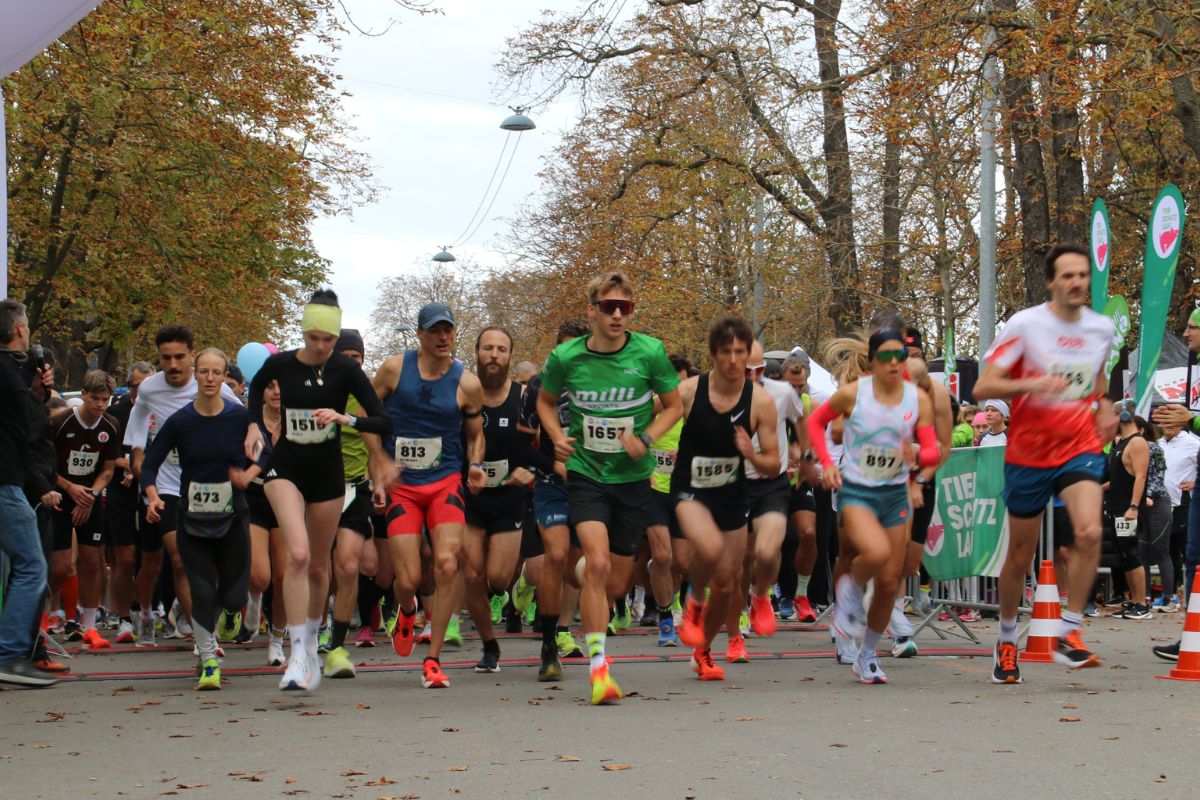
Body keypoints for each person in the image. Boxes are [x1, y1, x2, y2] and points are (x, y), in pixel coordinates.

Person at [537, 271, 683, 704]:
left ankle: (586, 575)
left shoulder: (649, 352)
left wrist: (647, 440)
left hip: (633, 479)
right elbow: (545, 401)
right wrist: (557, 436)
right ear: (593, 311)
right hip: (586, 474)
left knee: (615, 583)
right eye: (608, 307)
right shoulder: (566, 357)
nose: (617, 315)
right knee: (599, 564)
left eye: (625, 307)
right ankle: (599, 669)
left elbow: (674, 406)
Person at [974, 243, 1116, 683]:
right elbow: (983, 387)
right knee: (1020, 555)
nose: (1076, 283)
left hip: (1078, 446)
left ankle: (1068, 632)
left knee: (1090, 532)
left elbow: (1097, 380)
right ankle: (1006, 639)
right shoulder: (1025, 325)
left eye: (1082, 275)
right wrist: (1031, 383)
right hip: (1029, 452)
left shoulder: (1101, 328)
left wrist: (1105, 406)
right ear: (1051, 281)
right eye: (1067, 275)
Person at [246, 290, 391, 691]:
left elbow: (383, 421)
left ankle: (311, 641)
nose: (322, 346)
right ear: (304, 333)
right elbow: (255, 390)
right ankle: (296, 654)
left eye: (329, 339)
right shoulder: (281, 363)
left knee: (318, 566)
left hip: (328, 474)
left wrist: (346, 419)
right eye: (315, 338)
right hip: (286, 468)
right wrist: (253, 425)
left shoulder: (345, 371)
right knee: (298, 554)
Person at [807, 328, 938, 684]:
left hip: (894, 494)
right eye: (886, 356)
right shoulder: (853, 394)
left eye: (901, 356)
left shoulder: (918, 399)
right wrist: (827, 463)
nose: (895, 363)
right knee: (875, 552)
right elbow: (816, 423)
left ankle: (867, 654)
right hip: (857, 491)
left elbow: (931, 449)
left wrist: (918, 454)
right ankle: (849, 594)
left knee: (890, 581)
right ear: (873, 360)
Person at [366, 302, 485, 690]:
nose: (443, 337)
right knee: (408, 578)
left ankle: (433, 658)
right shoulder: (393, 370)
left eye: (448, 330)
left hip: (445, 482)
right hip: (403, 486)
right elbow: (366, 419)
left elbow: (476, 435)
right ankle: (406, 608)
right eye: (435, 330)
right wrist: (379, 461)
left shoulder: (467, 383)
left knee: (448, 563)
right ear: (420, 334)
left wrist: (475, 464)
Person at [142, 348, 262, 691]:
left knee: (234, 595)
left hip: (233, 516)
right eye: (204, 372)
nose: (210, 378)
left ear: (225, 377)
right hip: (192, 518)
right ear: (195, 375)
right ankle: (209, 660)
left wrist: (249, 473)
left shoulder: (240, 417)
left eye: (216, 373)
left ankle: (229, 614)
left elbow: (265, 453)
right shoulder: (180, 421)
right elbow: (150, 463)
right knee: (201, 591)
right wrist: (153, 496)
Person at [674, 315, 780, 680]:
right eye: (725, 352)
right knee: (704, 550)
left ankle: (702, 650)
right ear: (713, 355)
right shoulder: (689, 391)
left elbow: (774, 463)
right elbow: (649, 413)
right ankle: (693, 601)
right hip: (690, 489)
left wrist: (752, 455)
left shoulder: (761, 401)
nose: (734, 360)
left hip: (731, 494)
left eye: (740, 352)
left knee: (727, 581)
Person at [126, 326, 243, 647]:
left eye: (180, 357)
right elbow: (137, 434)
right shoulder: (149, 388)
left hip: (205, 484)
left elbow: (243, 421)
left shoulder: (210, 383)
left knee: (211, 564)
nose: (173, 365)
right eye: (166, 358)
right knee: (176, 559)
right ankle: (199, 638)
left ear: (193, 354)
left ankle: (190, 608)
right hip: (165, 485)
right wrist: (142, 467)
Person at [463, 327, 557, 672]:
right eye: (488, 348)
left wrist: (531, 469)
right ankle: (490, 645)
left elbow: (546, 443)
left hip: (510, 496)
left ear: (509, 356)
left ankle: (514, 590)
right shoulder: (463, 392)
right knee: (472, 574)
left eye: (501, 349)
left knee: (498, 577)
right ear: (477, 352)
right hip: (469, 496)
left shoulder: (524, 397)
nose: (494, 355)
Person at [519, 318, 589, 680]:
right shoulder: (538, 386)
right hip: (551, 484)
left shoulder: (602, 385)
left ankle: (566, 626)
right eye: (564, 350)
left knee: (578, 572)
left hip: (591, 485)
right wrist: (552, 465)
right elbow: (520, 445)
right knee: (556, 556)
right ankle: (549, 644)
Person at [726, 339, 804, 662]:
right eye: (748, 371)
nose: (755, 377)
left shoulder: (782, 392)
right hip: (733, 483)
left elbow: (801, 421)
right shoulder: (716, 393)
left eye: (759, 370)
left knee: (767, 551)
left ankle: (760, 595)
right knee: (738, 564)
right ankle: (735, 634)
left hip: (772, 481)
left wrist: (801, 451)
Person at [0, 299, 59, 688]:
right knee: (32, 566)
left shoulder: (13, 376)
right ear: (20, 329)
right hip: (6, 483)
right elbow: (25, 434)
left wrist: (34, 391)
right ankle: (9, 655)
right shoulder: (9, 372)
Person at [48, 370, 121, 650]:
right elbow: (45, 466)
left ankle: (89, 625)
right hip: (61, 495)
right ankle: (41, 616)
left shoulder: (111, 425)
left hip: (89, 498)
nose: (100, 405)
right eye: (95, 399)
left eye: (105, 400)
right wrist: (70, 488)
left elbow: (108, 469)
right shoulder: (60, 422)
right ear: (84, 394)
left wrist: (91, 494)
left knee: (92, 561)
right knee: (60, 566)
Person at [322, 329, 380, 679]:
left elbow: (376, 441)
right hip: (317, 491)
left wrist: (378, 481)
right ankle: (311, 630)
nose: (350, 364)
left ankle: (337, 648)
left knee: (348, 567)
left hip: (355, 491)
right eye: (344, 358)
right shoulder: (315, 392)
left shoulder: (367, 395)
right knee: (319, 571)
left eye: (356, 359)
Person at [1150, 307, 1200, 660]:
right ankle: (1192, 638)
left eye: (1192, 326)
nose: (1185, 333)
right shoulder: (1194, 369)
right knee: (1193, 559)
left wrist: (1191, 421)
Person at [106, 362, 154, 644]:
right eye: (138, 386)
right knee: (124, 558)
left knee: (151, 557)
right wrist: (125, 465)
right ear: (129, 387)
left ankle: (145, 610)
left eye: (149, 385)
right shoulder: (115, 414)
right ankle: (123, 617)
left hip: (152, 491)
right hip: (120, 492)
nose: (144, 391)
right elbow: (104, 455)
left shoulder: (162, 410)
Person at [1159, 417, 1198, 613]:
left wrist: (1195, 483)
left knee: (1188, 551)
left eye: (1172, 422)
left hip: (1184, 502)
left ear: (1181, 423)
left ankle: (1192, 598)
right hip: (1161, 504)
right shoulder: (1157, 444)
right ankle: (1171, 596)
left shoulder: (1192, 442)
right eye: (1164, 422)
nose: (1168, 426)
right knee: (1168, 551)